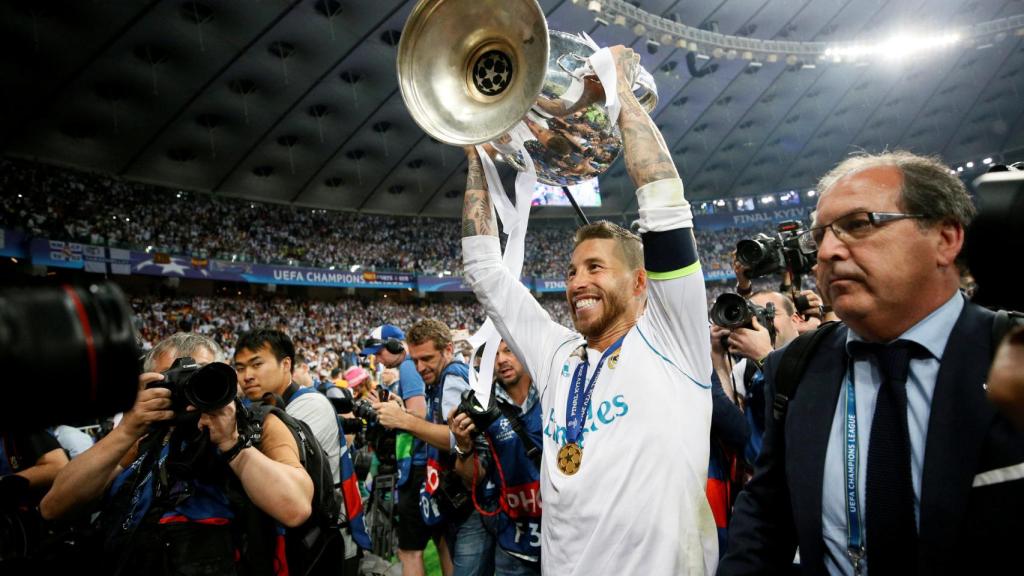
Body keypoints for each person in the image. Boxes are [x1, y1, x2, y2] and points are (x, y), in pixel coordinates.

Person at [461, 46, 717, 575]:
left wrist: (620, 93)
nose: (578, 281)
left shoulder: (675, 342)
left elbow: (665, 207)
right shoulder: (558, 358)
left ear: (640, 281)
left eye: (596, 267)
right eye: (574, 270)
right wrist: (476, 156)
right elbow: (485, 269)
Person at [720, 151, 1024, 575]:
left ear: (945, 238)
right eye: (819, 235)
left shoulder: (1011, 354)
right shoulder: (794, 369)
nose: (826, 252)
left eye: (859, 225)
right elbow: (767, 515)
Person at [40, 332, 314, 573]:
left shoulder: (258, 425)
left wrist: (233, 444)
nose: (187, 393)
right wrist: (126, 431)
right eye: (172, 382)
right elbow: (54, 507)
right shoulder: (142, 437)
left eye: (201, 378)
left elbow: (295, 507)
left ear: (224, 377)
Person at [234, 329, 365, 570]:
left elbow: (272, 471)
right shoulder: (260, 406)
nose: (247, 376)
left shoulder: (309, 404)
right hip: (292, 543)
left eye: (256, 364)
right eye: (240, 368)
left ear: (286, 364)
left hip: (321, 544)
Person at [373, 318, 483, 576]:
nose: (420, 367)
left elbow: (454, 437)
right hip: (458, 490)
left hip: (468, 494)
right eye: (415, 360)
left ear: (447, 350)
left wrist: (404, 420)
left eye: (427, 358)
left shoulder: (453, 374)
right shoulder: (440, 377)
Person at [450, 340, 543, 576]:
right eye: (494, 354)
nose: (501, 359)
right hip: (514, 548)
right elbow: (474, 476)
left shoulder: (554, 390)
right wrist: (463, 446)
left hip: (565, 542)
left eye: (509, 350)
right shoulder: (481, 408)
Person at [360, 323, 430, 576]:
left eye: (379, 353)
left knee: (409, 550)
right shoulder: (410, 366)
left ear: (394, 345)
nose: (377, 359)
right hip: (422, 462)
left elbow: (419, 416)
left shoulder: (409, 367)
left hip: (416, 462)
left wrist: (389, 412)